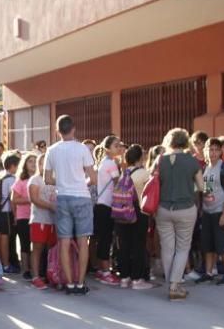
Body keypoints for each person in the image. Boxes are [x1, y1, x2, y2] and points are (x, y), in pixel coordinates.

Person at [44, 115, 96, 295]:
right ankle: (81, 283)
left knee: (64, 241)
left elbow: (47, 178)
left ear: (57, 131)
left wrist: (63, 182)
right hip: (81, 196)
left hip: (63, 196)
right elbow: (93, 178)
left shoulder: (51, 150)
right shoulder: (82, 149)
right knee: (83, 241)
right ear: (73, 129)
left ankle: (69, 284)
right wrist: (81, 182)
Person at [156, 128, 205, 300]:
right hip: (185, 208)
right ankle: (175, 286)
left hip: (163, 209)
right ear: (186, 142)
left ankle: (172, 284)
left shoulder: (160, 160)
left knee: (167, 248)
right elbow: (201, 187)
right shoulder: (192, 162)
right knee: (183, 248)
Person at [114, 144, 152, 290]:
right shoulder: (144, 173)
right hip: (138, 211)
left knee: (124, 245)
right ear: (140, 158)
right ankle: (137, 279)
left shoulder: (124, 173)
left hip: (121, 211)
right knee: (138, 245)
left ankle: (124, 277)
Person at [199, 137, 224, 285]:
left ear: (220, 151)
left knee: (223, 245)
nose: (213, 153)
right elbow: (204, 190)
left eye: (216, 150)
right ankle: (209, 272)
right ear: (206, 151)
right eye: (210, 150)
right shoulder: (205, 169)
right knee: (208, 245)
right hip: (207, 212)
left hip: (220, 211)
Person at [92, 135, 123, 286]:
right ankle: (105, 271)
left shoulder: (103, 162)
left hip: (101, 204)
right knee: (106, 239)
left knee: (102, 238)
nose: (119, 147)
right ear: (108, 148)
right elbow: (119, 183)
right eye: (116, 145)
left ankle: (101, 269)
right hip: (106, 205)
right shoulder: (110, 163)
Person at [28, 152, 56, 290]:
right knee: (37, 248)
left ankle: (49, 274)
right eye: (42, 163)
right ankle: (35, 276)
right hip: (39, 219)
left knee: (51, 248)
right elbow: (34, 199)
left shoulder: (55, 179)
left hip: (53, 221)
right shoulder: (35, 180)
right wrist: (51, 206)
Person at [11, 152, 37, 279]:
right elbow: (14, 199)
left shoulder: (40, 179)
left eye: (34, 161)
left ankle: (36, 268)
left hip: (38, 216)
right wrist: (31, 199)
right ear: (25, 164)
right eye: (30, 161)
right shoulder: (21, 181)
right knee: (25, 243)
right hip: (24, 216)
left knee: (37, 243)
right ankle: (25, 269)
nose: (33, 163)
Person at [0, 153, 20, 273]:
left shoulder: (0, 175)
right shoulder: (11, 179)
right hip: (6, 211)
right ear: (13, 166)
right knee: (5, 238)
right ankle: (6, 265)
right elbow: (12, 199)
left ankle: (0, 263)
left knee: (0, 237)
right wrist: (15, 216)